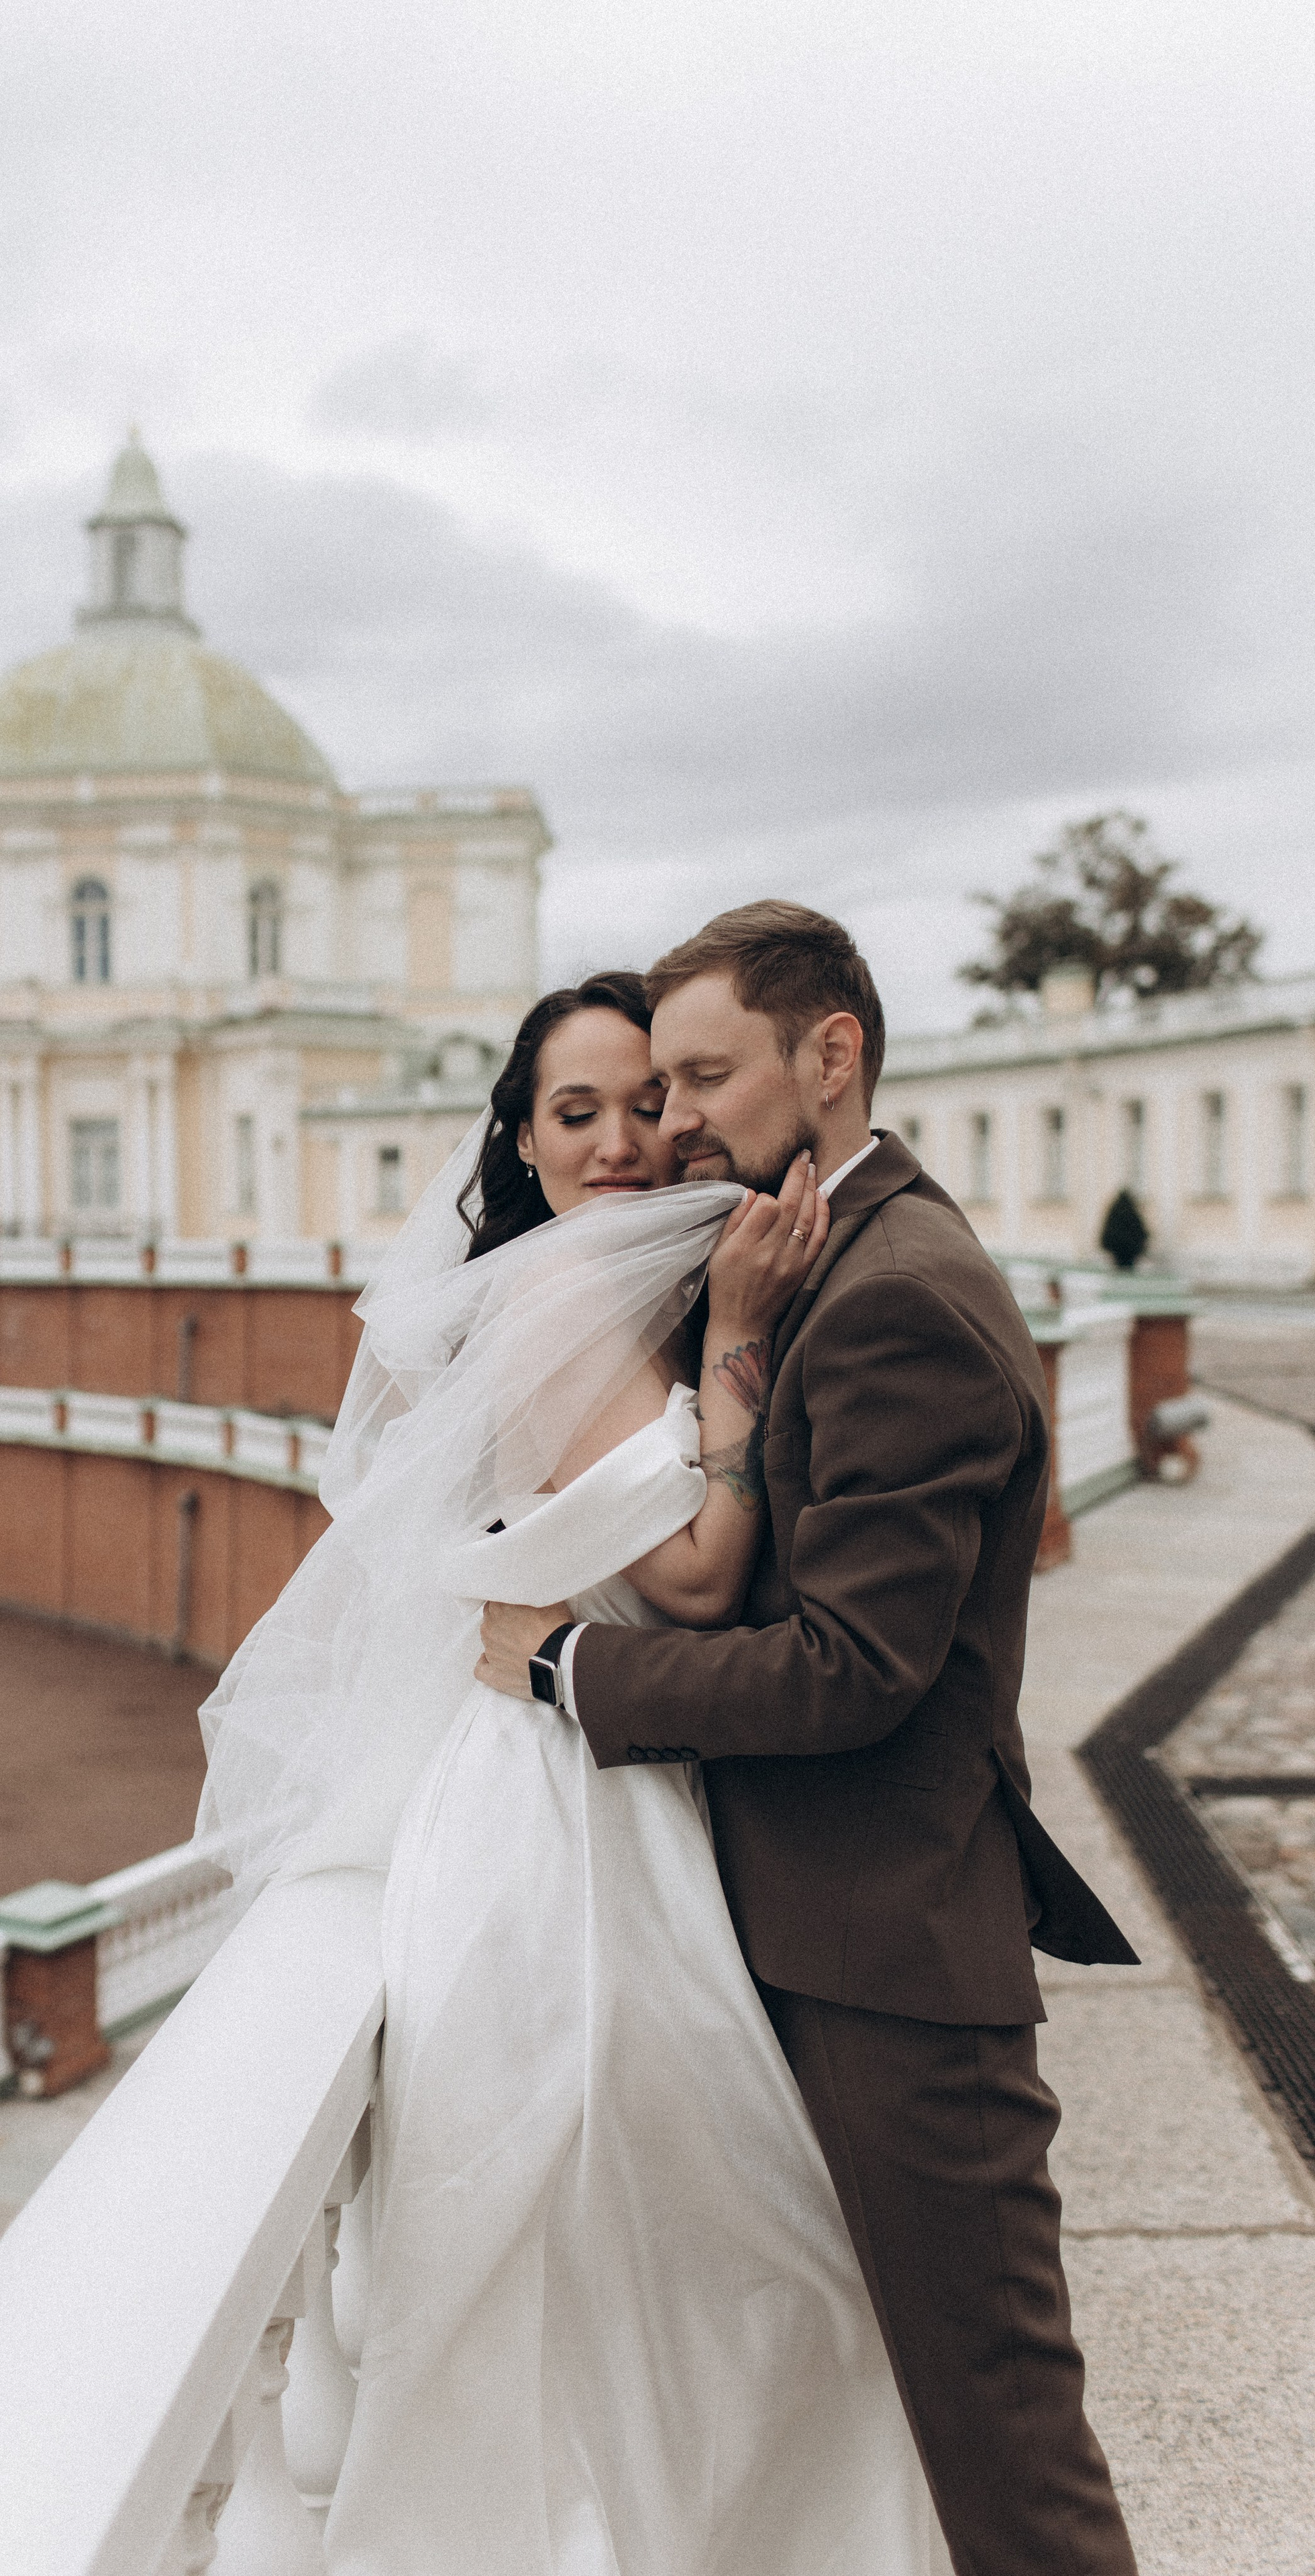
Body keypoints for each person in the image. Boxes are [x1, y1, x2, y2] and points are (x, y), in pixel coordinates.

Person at [200, 970, 951, 2574]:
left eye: (653, 1103)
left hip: (614, 1777)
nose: (629, 1140)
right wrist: (742, 1341)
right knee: (726, 2254)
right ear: (522, 1142)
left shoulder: (629, 1282)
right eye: (578, 1111)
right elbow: (684, 1580)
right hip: (564, 1818)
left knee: (669, 2270)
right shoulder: (560, 1300)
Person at [480, 904, 1140, 2576]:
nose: (672, 1116)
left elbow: (854, 1669)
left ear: (828, 1055)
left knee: (1000, 2442)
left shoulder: (893, 1292)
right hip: (797, 1920)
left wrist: (569, 1674)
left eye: (701, 1075)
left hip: (885, 1950)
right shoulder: (809, 1262)